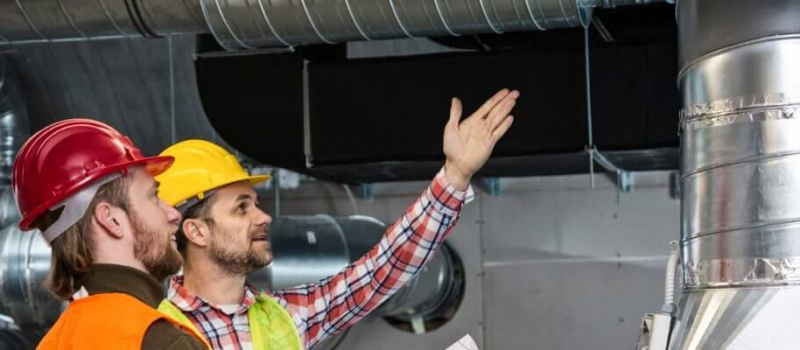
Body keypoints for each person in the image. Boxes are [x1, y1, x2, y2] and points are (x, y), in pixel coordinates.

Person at [156, 89, 519, 350]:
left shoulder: (281, 317)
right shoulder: (159, 332)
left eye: (255, 203)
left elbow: (381, 270)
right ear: (196, 231)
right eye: (242, 207)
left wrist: (454, 176)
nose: (263, 216)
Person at [12, 119, 209, 349]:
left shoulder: (52, 343)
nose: (173, 214)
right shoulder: (166, 342)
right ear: (111, 219)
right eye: (153, 197)